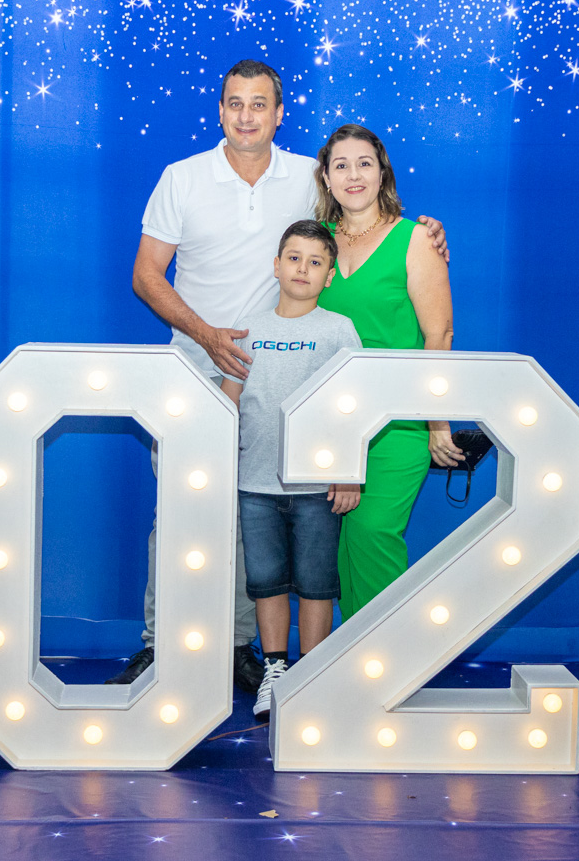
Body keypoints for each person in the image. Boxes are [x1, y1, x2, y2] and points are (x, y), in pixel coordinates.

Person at [122, 61, 450, 691]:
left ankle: (243, 649)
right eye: (234, 103)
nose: (246, 115)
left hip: (280, 385)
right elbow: (146, 275)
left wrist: (426, 231)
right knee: (183, 515)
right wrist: (208, 337)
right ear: (220, 110)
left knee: (259, 521)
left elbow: (365, 216)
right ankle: (161, 644)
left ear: (279, 114)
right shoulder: (182, 178)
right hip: (194, 373)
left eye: (259, 104)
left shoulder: (307, 176)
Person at [314, 123, 460, 620]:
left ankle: (388, 655)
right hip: (331, 420)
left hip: (399, 420)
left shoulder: (416, 238)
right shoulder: (317, 241)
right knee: (339, 546)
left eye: (364, 164)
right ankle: (352, 657)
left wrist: (436, 420)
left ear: (382, 174)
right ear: (326, 178)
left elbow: (439, 334)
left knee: (373, 530)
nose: (353, 175)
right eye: (341, 166)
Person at [220, 221, 363, 719]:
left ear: (329, 276)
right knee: (267, 581)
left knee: (316, 582)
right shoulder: (250, 327)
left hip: (317, 486)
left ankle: (312, 676)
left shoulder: (338, 329)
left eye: (316, 262)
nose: (303, 268)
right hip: (255, 483)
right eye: (294, 258)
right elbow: (229, 399)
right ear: (277, 266)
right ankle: (276, 670)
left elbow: (354, 405)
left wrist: (349, 471)